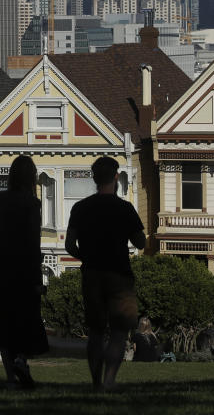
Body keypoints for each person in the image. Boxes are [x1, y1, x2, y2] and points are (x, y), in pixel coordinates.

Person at [65, 156, 146, 391]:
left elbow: (70, 244)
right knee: (119, 332)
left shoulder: (80, 208)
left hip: (91, 274)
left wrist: (86, 257)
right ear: (116, 177)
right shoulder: (124, 208)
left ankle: (95, 382)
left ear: (94, 178)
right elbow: (140, 242)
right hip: (119, 274)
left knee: (96, 331)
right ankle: (110, 380)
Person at [0, 154, 49, 388]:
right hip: (24, 269)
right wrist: (37, 278)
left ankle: (11, 377)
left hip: (2, 268)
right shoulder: (32, 204)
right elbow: (34, 242)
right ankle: (21, 361)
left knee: (5, 324)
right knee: (25, 320)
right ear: (31, 178)